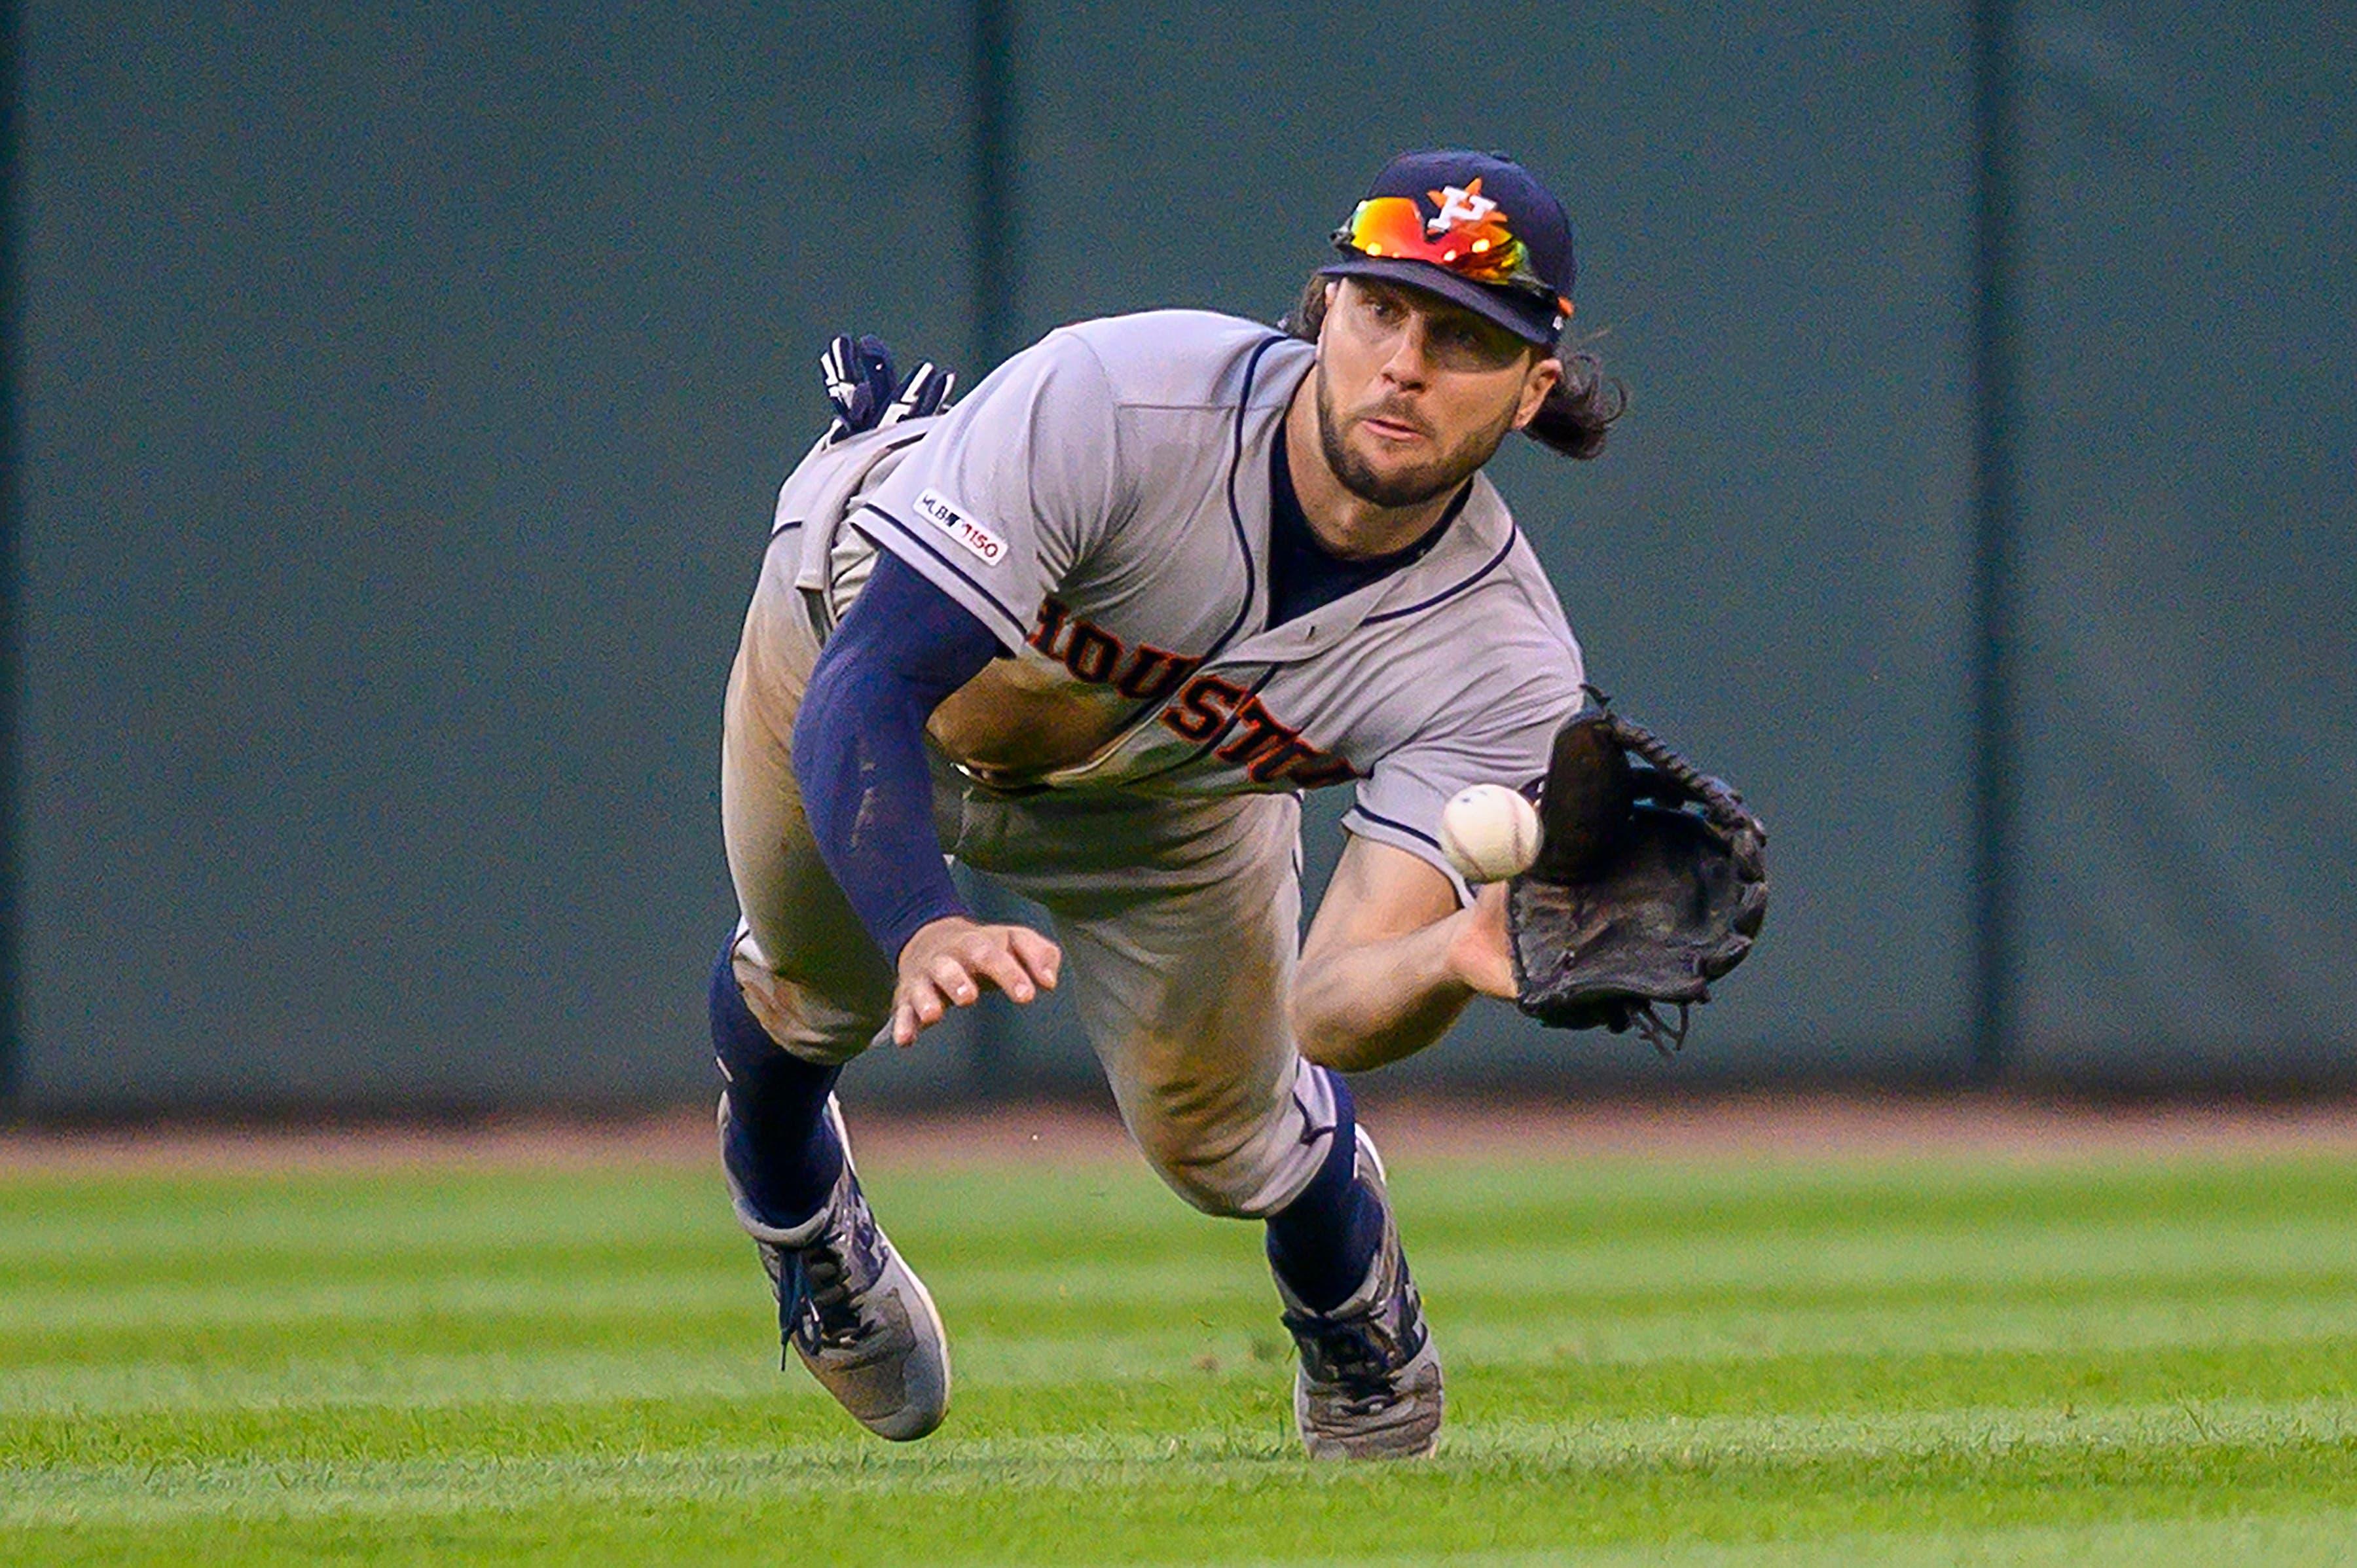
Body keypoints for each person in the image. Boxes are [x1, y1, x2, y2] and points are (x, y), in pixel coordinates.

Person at [710, 149, 1622, 1460]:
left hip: (1170, 797)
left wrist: (1452, 953)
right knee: (817, 987)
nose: (1407, 362)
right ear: (1325, 309)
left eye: (1465, 336)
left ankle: (1354, 1311)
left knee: (1228, 1130)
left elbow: (1336, 1005)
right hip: (859, 658)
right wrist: (923, 923)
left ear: (1533, 389)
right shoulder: (1123, 402)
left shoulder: (1502, 663)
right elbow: (876, 679)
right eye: (1382, 309)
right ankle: (800, 1219)